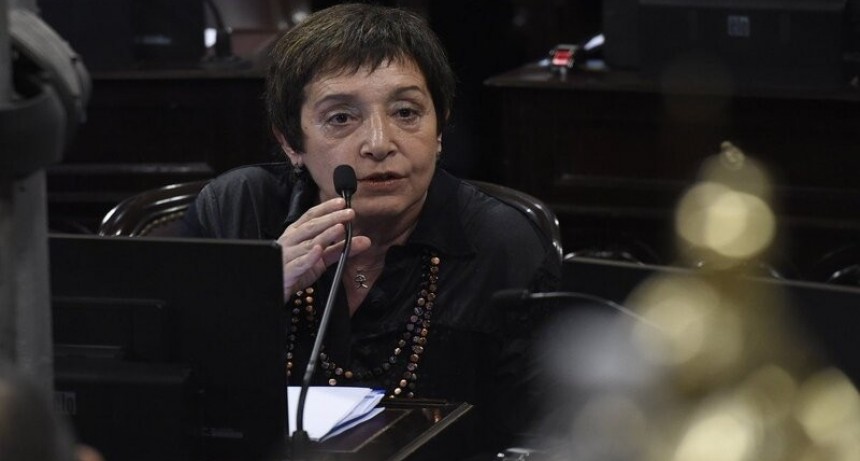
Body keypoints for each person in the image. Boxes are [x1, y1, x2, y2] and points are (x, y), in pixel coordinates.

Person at [181, 3, 560, 455]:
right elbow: (170, 397)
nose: (379, 144)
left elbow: (544, 434)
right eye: (341, 118)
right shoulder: (237, 212)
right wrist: (255, 294)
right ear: (290, 142)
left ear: (440, 129)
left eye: (406, 112)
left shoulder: (501, 243)